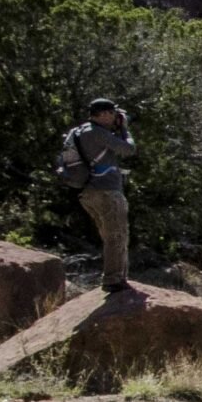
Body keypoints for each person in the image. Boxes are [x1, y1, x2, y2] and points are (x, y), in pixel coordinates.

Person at [71, 98, 136, 291]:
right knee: (117, 235)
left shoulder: (81, 131)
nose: (116, 116)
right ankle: (114, 280)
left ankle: (115, 277)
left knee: (110, 236)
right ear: (104, 114)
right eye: (113, 113)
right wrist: (125, 129)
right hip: (106, 191)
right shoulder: (96, 132)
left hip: (88, 193)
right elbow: (128, 149)